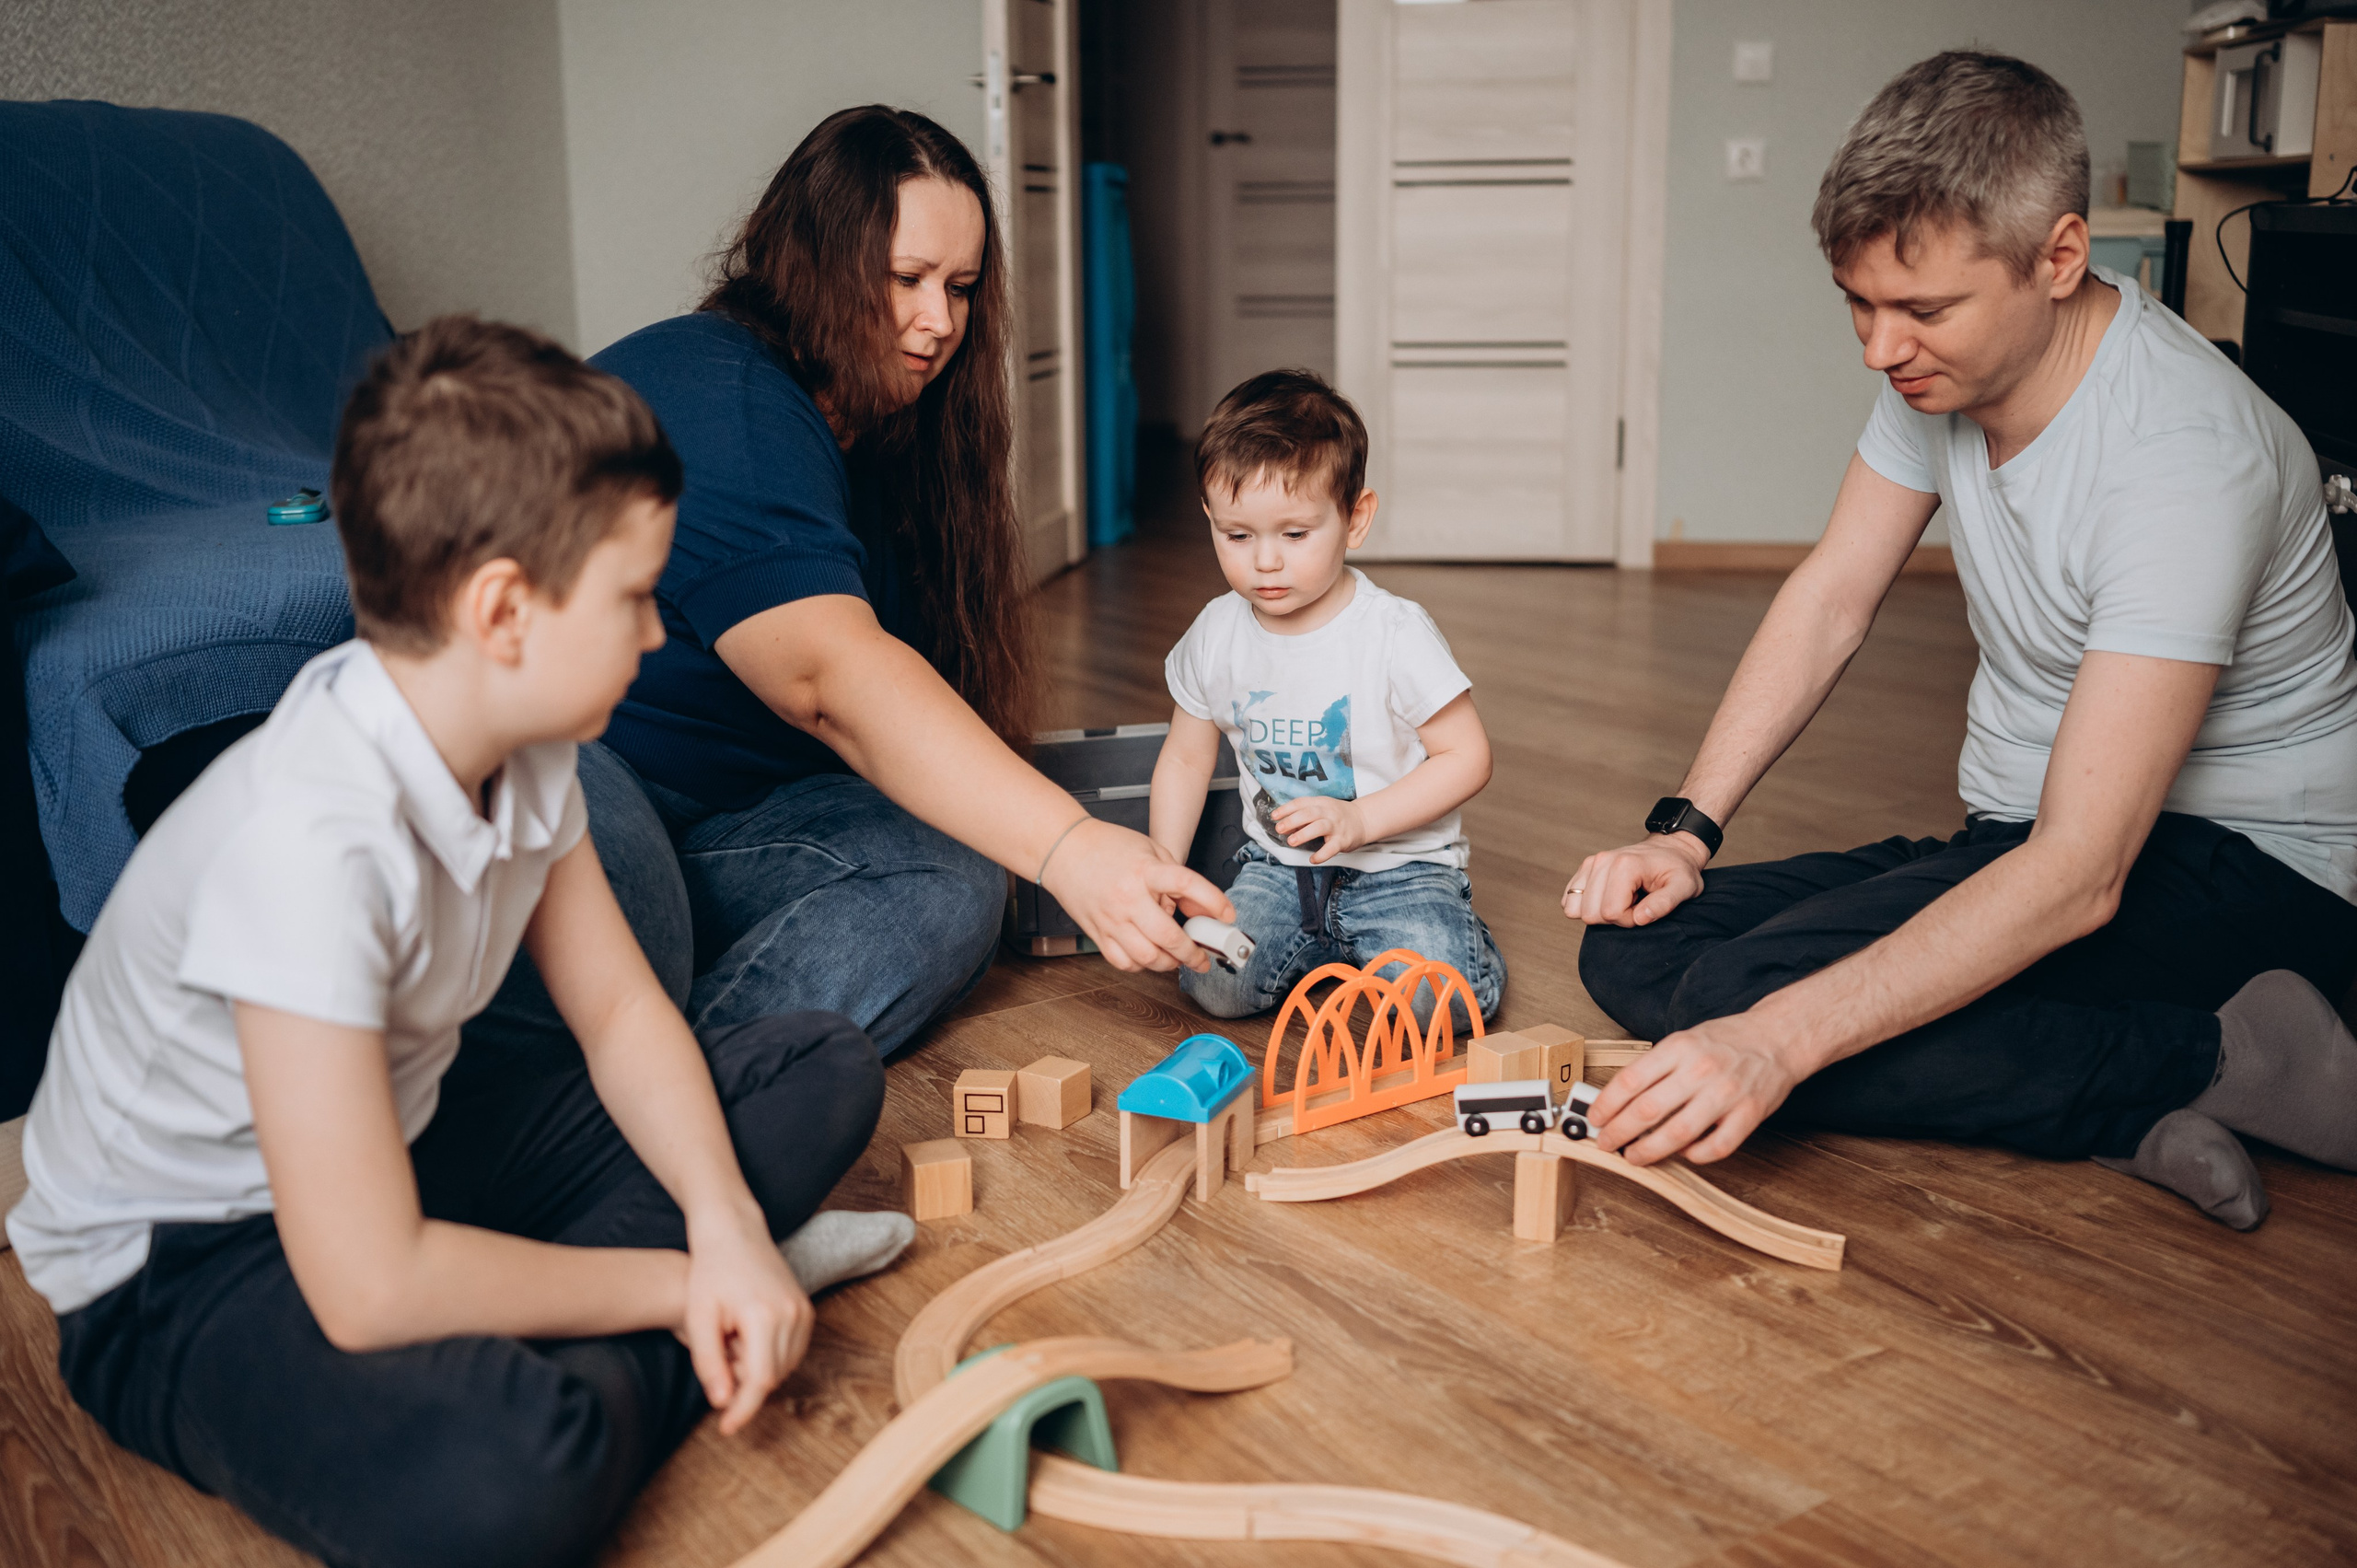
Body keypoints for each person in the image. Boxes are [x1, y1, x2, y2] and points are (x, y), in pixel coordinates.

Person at [6, 318, 911, 1568]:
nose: (655, 635)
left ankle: (605, 1300)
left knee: (815, 1064)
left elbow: (621, 1012)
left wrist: (721, 1222)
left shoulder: (527, 744)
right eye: (635, 596)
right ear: (502, 610)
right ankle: (666, 1325)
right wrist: (689, 1277)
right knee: (509, 1482)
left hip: (403, 1147)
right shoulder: (309, 843)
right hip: (187, 1264)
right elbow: (369, 1282)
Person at [1565, 52, 2357, 1231]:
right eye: (1859, 303)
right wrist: (1685, 832)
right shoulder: (1938, 382)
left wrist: (1774, 1044)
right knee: (1635, 944)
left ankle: (2238, 1055)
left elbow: (2083, 871)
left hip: (2249, 873)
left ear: (2059, 257)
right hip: (2022, 834)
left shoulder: (2185, 459)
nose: (1880, 349)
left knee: (1742, 1001)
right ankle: (2140, 1088)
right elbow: (1835, 592)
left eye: (1922, 310)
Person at [463, 106, 1230, 1082]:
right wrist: (1070, 847)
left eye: (959, 287)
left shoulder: (888, 430)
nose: (940, 321)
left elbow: (901, 709)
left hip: (728, 815)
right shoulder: (728, 398)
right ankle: (639, 1122)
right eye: (905, 280)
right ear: (814, 263)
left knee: (950, 875)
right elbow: (828, 678)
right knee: (636, 917)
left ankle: (675, 1101)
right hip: (572, 766)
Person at [1150, 370, 1504, 1022]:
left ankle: (1444, 943)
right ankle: (1325, 951)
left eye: (1294, 534)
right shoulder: (1215, 632)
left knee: (1437, 1000)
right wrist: (1163, 868)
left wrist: (1361, 821)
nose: (1265, 562)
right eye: (1238, 535)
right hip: (1280, 869)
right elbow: (1184, 758)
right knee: (1211, 983)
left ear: (1355, 519)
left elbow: (1468, 757)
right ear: (1210, 518)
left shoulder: (1393, 632)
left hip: (1400, 869)